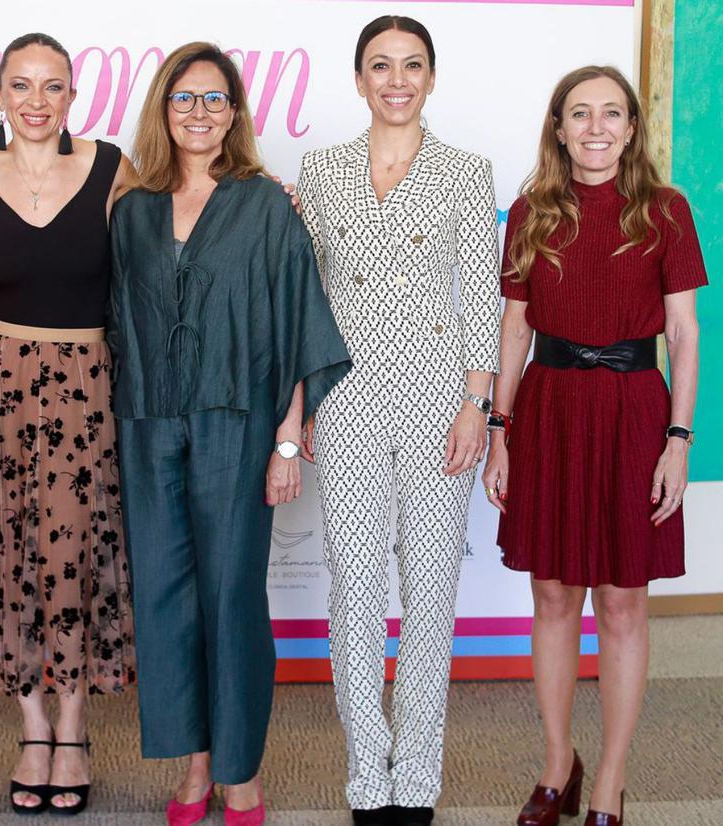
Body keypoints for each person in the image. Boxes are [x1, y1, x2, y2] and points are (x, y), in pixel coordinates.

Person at [111, 41, 352, 826]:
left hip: (239, 428)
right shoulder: (134, 210)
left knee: (233, 599)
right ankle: (195, 768)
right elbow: (118, 325)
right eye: (185, 99)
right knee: (167, 602)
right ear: (163, 109)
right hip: (149, 427)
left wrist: (288, 440)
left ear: (236, 113)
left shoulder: (265, 203)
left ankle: (242, 773)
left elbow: (294, 325)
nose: (200, 113)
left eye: (215, 100)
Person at [484, 66, 707, 826]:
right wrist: (498, 433)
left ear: (632, 128)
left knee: (621, 602)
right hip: (548, 409)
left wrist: (679, 441)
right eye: (580, 114)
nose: (597, 128)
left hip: (634, 415)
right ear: (558, 127)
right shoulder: (529, 212)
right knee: (551, 593)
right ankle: (558, 766)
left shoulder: (667, 213)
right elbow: (514, 331)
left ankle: (609, 779)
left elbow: (683, 333)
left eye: (612, 114)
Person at [297, 16, 501, 826]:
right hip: (345, 401)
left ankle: (416, 774)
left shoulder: (463, 171)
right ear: (357, 79)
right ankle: (366, 776)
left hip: (436, 401)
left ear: (432, 76)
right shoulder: (320, 171)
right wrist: (305, 400)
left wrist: (477, 405)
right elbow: (303, 297)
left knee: (431, 592)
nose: (396, 79)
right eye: (380, 65)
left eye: (411, 65)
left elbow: (482, 296)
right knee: (353, 590)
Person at [0, 32, 136, 817]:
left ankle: (73, 723)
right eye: (21, 86)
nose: (36, 102)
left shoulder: (110, 167)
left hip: (86, 393)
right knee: (7, 555)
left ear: (73, 95)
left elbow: (165, 251)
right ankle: (31, 724)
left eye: (51, 86)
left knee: (73, 555)